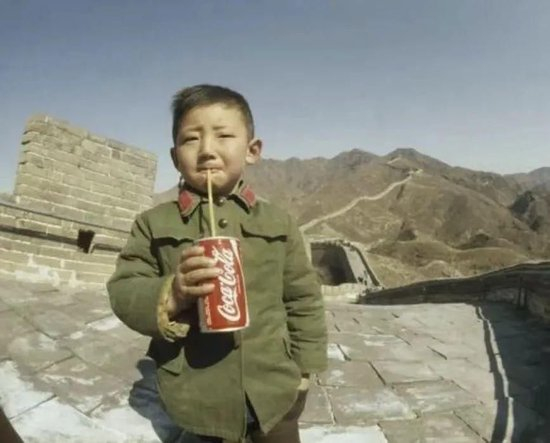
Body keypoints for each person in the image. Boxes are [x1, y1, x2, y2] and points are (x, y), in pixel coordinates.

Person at [107, 84, 327, 443]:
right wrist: (172, 295)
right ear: (175, 156)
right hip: (196, 395)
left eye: (223, 136)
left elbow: (303, 299)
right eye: (191, 139)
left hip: (274, 391)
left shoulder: (278, 222)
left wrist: (304, 372)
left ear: (252, 150)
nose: (207, 150)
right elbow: (124, 288)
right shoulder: (153, 224)